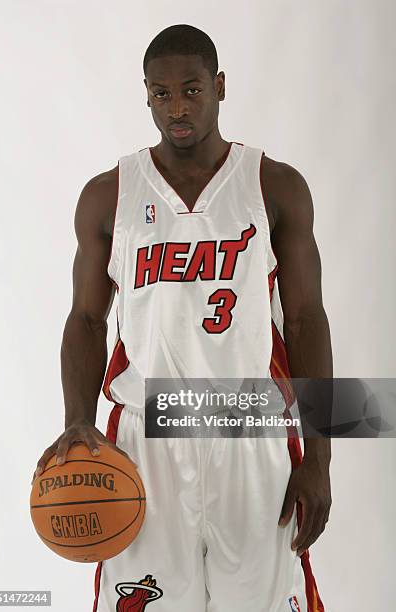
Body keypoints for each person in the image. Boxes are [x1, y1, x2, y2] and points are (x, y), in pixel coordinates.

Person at [32, 24, 332, 612]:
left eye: (192, 90)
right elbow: (87, 321)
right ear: (145, 93)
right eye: (161, 93)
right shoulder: (107, 195)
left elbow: (306, 322)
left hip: (249, 429)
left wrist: (320, 457)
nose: (177, 107)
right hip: (147, 438)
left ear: (219, 87)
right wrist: (76, 418)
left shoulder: (274, 186)